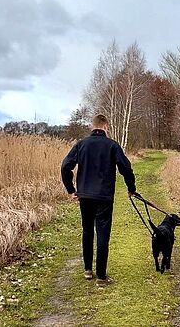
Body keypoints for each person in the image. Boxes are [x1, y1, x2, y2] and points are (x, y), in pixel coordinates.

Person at [61, 114, 137, 287]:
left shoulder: (81, 144)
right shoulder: (112, 145)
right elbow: (126, 168)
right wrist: (131, 188)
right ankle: (101, 277)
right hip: (104, 196)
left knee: (87, 231)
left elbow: (66, 166)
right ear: (106, 127)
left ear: (92, 127)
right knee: (103, 234)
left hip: (85, 196)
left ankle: (88, 269)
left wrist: (71, 190)